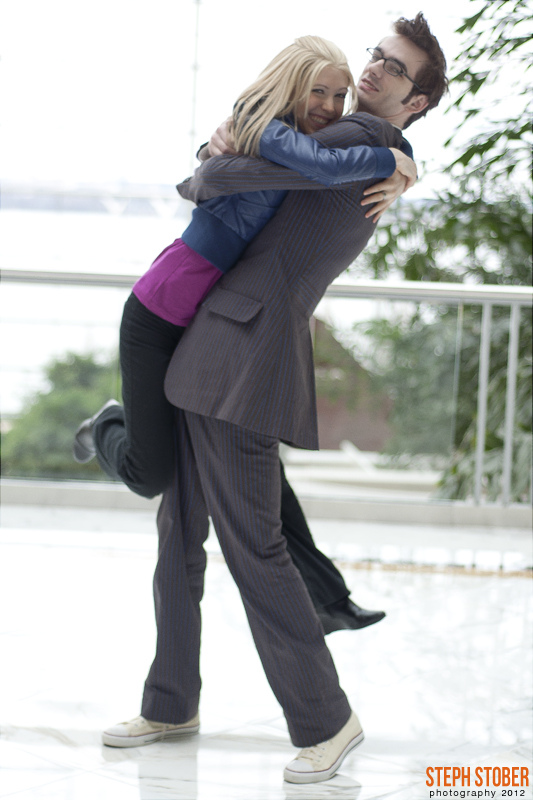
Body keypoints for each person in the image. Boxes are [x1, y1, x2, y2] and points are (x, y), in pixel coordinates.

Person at [102, 14, 448, 785]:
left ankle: (326, 719)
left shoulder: (359, 142)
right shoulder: (371, 145)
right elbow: (232, 168)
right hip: (216, 344)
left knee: (252, 544)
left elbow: (220, 179)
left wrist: (209, 160)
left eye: (394, 69)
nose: (373, 70)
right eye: (376, 56)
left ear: (416, 100)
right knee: (179, 531)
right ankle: (169, 701)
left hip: (246, 355)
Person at [73, 36, 417, 632]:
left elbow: (324, 174)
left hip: (212, 323)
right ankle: (104, 426)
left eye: (339, 95)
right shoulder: (264, 129)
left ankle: (327, 597)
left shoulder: (299, 137)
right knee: (152, 475)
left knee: (255, 466)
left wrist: (403, 166)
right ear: (292, 82)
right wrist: (396, 162)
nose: (332, 105)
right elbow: (309, 169)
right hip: (159, 314)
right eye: (320, 91)